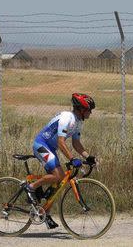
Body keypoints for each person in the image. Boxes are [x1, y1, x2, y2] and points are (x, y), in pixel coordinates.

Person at [25, 93, 97, 229]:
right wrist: (72, 159)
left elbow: (76, 143)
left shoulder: (78, 122)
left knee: (60, 181)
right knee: (58, 175)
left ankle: (44, 212)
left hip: (50, 148)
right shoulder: (67, 118)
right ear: (81, 109)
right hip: (41, 145)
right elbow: (61, 141)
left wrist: (88, 157)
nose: (90, 113)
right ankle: (31, 187)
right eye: (89, 110)